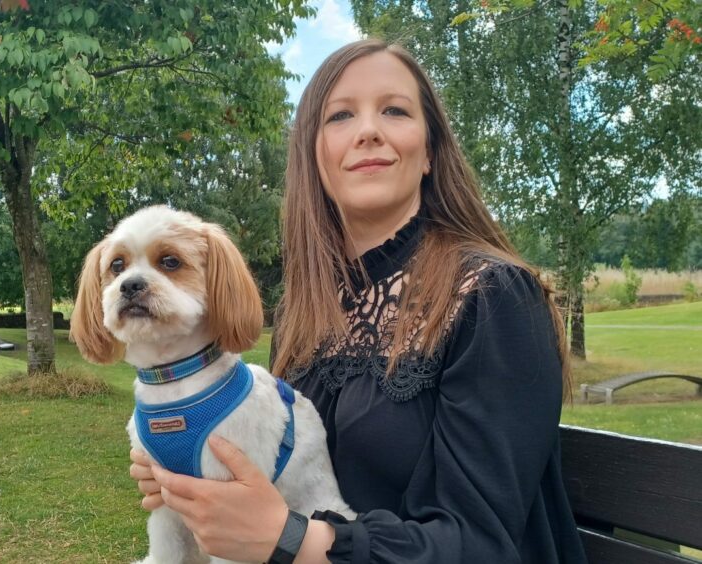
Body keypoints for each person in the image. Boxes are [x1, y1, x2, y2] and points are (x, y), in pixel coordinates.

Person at [129, 38, 588, 563]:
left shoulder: (491, 296)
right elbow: (284, 477)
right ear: (314, 156)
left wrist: (292, 539)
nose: (369, 130)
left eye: (394, 110)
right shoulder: (311, 312)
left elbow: (485, 542)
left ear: (429, 150)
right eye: (341, 115)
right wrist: (193, 474)